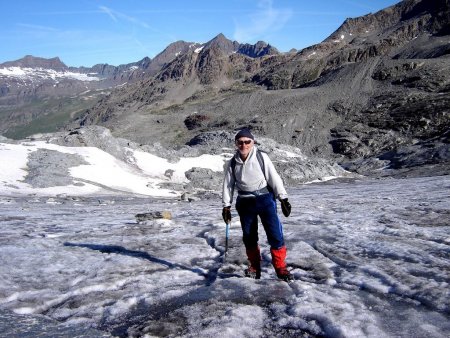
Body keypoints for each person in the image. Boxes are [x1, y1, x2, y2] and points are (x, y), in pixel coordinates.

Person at [222, 128, 293, 281]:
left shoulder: (261, 157)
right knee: (249, 236)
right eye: (240, 142)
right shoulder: (232, 163)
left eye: (247, 142)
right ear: (236, 144)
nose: (244, 145)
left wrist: (283, 198)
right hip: (245, 202)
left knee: (275, 234)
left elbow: (273, 177)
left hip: (265, 199)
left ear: (252, 142)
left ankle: (280, 268)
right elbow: (228, 185)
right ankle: (254, 266)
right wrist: (226, 206)